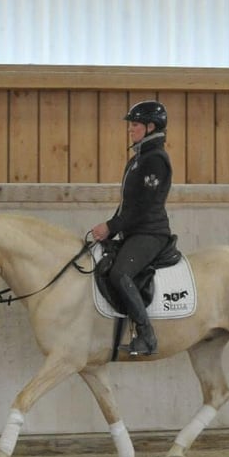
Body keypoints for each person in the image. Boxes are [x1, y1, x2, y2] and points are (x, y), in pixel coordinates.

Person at [91, 100, 173, 357]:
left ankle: (146, 334)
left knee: (120, 273)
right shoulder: (138, 159)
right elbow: (127, 204)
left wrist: (111, 226)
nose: (131, 129)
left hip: (151, 233)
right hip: (134, 231)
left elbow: (143, 206)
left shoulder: (155, 160)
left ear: (150, 127)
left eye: (135, 125)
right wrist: (111, 230)